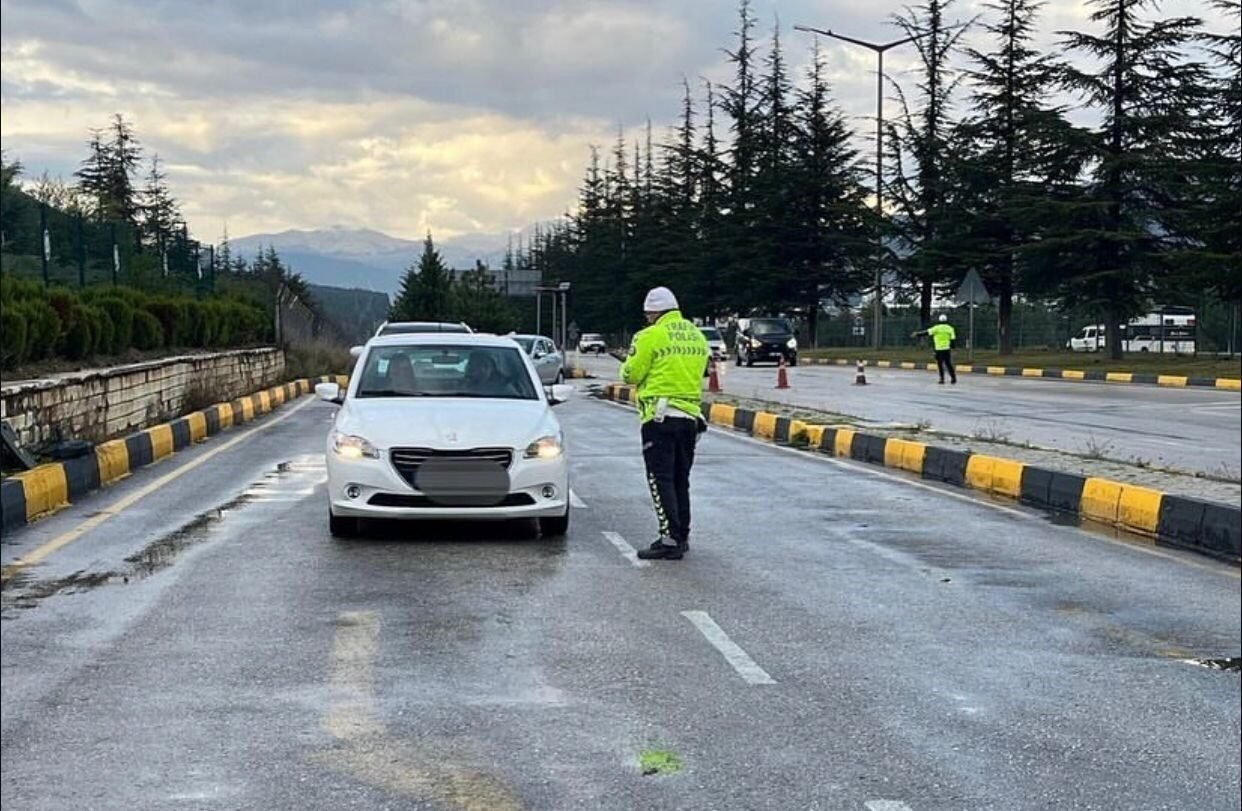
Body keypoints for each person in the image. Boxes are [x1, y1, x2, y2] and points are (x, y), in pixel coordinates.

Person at [620, 287, 710, 560]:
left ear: (653, 312)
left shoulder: (649, 335)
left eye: (648, 315)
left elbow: (630, 374)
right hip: (690, 418)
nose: (647, 319)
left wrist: (627, 362)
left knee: (660, 480)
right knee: (681, 479)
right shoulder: (696, 335)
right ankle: (682, 536)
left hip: (659, 418)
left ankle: (669, 539)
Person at [912, 314, 957, 385]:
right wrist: (953, 348)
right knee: (948, 364)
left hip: (938, 349)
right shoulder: (950, 328)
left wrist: (917, 334)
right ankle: (953, 378)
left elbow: (926, 332)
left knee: (940, 364)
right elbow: (953, 340)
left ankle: (942, 379)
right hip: (946, 349)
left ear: (939, 320)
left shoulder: (936, 328)